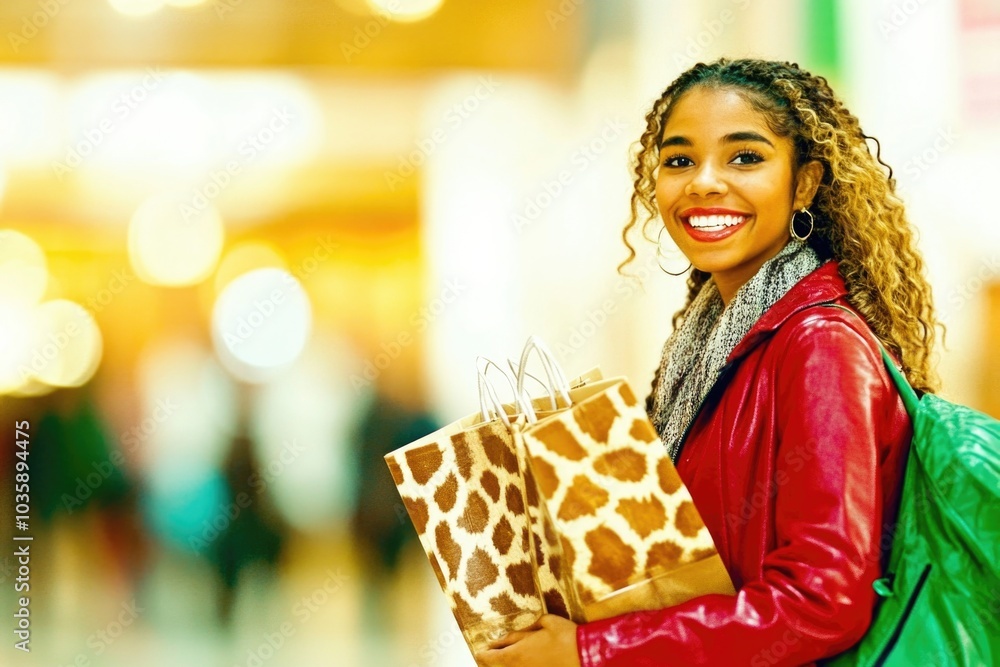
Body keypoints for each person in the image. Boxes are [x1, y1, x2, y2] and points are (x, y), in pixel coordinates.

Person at [477, 58, 938, 666]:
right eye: (679, 160)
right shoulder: (706, 345)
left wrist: (593, 651)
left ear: (804, 184)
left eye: (745, 157)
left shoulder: (819, 346)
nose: (703, 183)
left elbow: (821, 600)